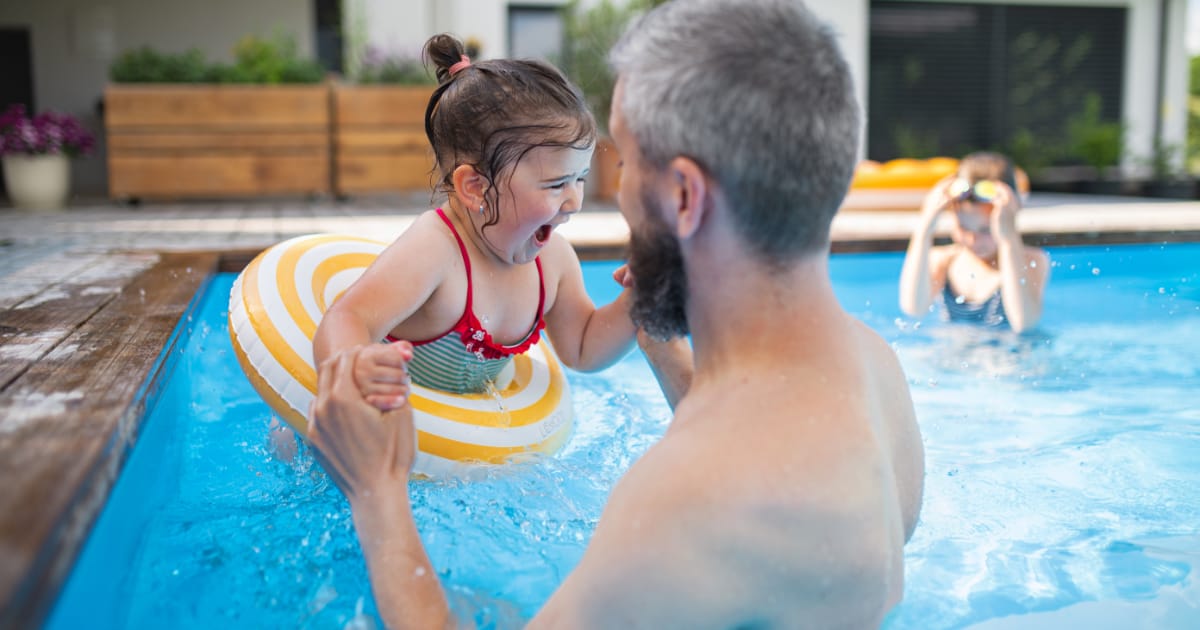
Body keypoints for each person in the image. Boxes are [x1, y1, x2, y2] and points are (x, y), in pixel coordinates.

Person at [307, 1, 926, 627]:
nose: (589, 197)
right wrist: (657, 330)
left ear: (683, 196)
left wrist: (378, 494)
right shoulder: (876, 368)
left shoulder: (683, 503)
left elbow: (730, 483)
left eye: (622, 161)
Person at [312, 34, 637, 412]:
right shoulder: (436, 250)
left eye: (579, 179)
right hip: (392, 426)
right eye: (556, 184)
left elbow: (583, 346)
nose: (575, 202)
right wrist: (355, 369)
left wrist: (638, 298)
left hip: (458, 446)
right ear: (475, 187)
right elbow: (349, 316)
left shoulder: (553, 262)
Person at [898, 152, 1050, 333]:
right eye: (963, 226)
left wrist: (1008, 240)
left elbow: (1024, 322)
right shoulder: (944, 261)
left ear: (1009, 219)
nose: (972, 239)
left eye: (985, 230)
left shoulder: (1030, 260)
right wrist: (925, 226)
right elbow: (913, 308)